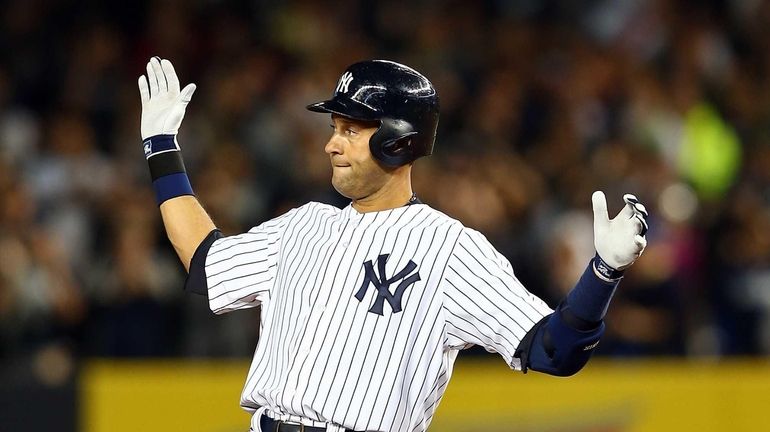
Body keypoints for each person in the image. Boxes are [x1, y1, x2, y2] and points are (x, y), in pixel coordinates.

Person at [137, 57, 648, 432]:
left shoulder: (450, 248)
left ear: (397, 138)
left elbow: (553, 351)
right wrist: (161, 149)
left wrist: (602, 274)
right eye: (334, 127)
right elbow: (207, 266)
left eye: (351, 129)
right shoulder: (300, 225)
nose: (330, 143)